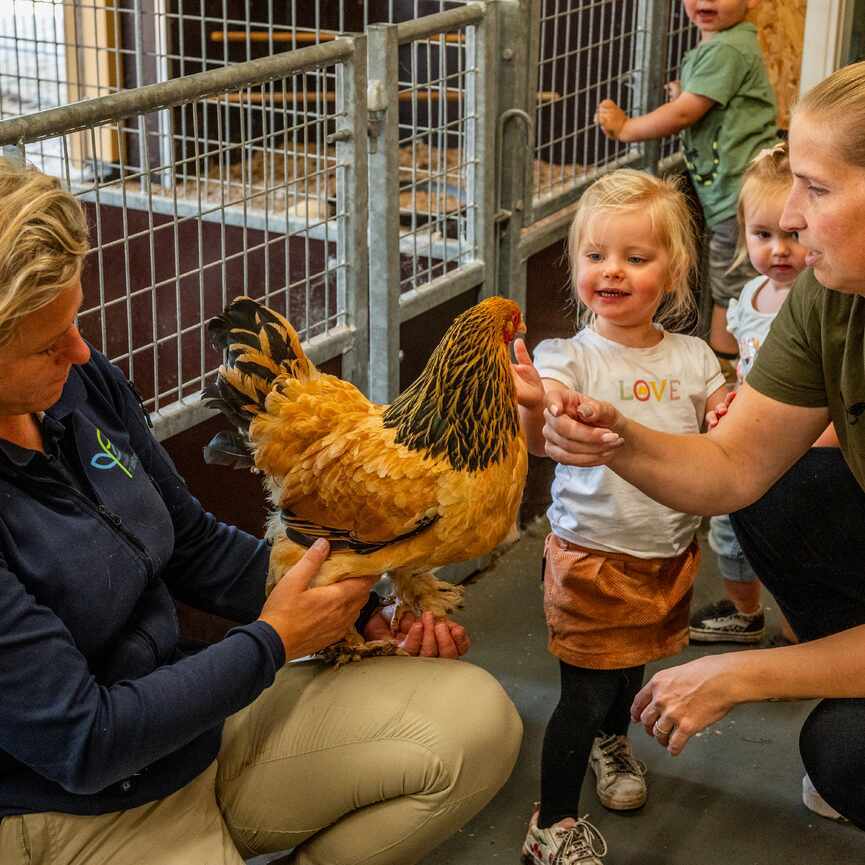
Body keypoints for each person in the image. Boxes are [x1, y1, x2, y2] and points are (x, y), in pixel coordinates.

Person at [0, 157, 523, 865]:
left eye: (75, 318)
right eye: (47, 341)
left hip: (193, 727)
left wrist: (358, 610)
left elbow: (189, 543)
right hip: (70, 806)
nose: (82, 349)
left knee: (477, 720)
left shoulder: (79, 385)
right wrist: (274, 638)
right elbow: (82, 741)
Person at [537, 61, 865, 830]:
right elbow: (733, 463)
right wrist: (611, 436)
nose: (790, 215)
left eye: (815, 190)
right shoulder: (828, 290)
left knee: (843, 753)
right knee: (781, 482)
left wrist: (744, 674)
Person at [512, 169, 728, 865]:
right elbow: (546, 401)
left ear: (673, 271)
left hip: (665, 551)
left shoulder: (693, 356)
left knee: (630, 666)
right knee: (584, 688)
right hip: (591, 555)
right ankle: (554, 821)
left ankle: (614, 742)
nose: (612, 271)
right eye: (596, 256)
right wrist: (535, 401)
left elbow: (719, 414)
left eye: (636, 258)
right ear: (575, 264)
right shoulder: (568, 354)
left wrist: (727, 409)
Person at [689, 143, 832, 646]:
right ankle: (745, 611)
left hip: (806, 445)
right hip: (752, 434)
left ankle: (802, 629)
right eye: (762, 235)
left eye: (792, 235)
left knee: (796, 542)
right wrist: (725, 399)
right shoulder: (746, 296)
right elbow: (734, 361)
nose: (779, 249)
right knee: (730, 533)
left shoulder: (822, 293)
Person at [595, 0, 777, 370]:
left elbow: (684, 114)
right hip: (731, 191)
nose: (706, 2)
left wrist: (627, 128)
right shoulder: (725, 44)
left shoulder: (726, 47)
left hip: (737, 196)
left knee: (732, 284)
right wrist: (686, 91)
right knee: (733, 277)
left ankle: (729, 369)